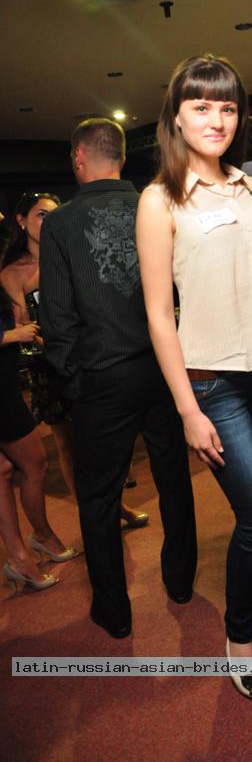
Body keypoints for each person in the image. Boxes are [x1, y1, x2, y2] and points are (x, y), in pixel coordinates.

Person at [136, 55, 252, 700]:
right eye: (201, 106)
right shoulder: (160, 199)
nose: (217, 120)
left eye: (228, 108)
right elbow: (158, 314)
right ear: (176, 117)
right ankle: (239, 636)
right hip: (212, 385)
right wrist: (187, 410)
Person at [39, 118, 197, 639]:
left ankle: (114, 611)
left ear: (79, 158)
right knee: (174, 480)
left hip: (102, 377)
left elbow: (56, 315)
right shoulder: (157, 205)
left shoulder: (61, 223)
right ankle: (180, 583)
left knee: (99, 497)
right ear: (122, 158)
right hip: (164, 366)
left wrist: (73, 382)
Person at [4, 193, 147, 530]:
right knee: (68, 446)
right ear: (21, 221)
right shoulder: (13, 272)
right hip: (49, 367)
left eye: (53, 214)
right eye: (41, 215)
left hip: (90, 357)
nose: (48, 221)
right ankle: (95, 516)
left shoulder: (73, 252)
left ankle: (114, 505)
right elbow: (23, 326)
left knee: (102, 440)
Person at [0, 220, 76, 592]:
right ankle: (36, 541)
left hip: (5, 377)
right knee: (35, 463)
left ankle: (22, 555)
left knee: (5, 469)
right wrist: (11, 334)